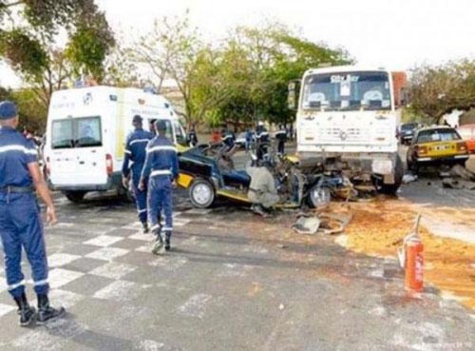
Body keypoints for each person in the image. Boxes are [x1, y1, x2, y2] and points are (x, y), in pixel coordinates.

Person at [0, 101, 65, 327]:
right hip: (23, 203)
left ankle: (23, 309)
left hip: (2, 206)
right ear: (16, 119)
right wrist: (50, 205)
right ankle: (43, 305)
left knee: (11, 257)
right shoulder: (24, 143)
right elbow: (37, 178)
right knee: (36, 253)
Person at [139, 120, 179, 254]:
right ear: (166, 129)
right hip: (167, 179)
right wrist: (175, 178)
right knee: (167, 209)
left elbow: (147, 164)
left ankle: (157, 238)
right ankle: (168, 239)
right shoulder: (172, 145)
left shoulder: (152, 144)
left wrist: (141, 180)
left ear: (155, 128)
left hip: (155, 179)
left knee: (152, 208)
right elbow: (176, 165)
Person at [122, 115, 154, 233]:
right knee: (151, 196)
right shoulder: (150, 136)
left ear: (133, 123)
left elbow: (126, 160)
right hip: (150, 171)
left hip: (137, 172)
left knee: (140, 197)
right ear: (142, 123)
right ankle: (155, 221)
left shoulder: (130, 139)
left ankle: (144, 224)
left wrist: (125, 175)